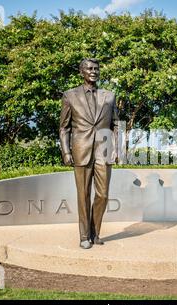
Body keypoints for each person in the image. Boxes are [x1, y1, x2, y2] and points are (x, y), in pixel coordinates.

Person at [59, 58, 119, 249]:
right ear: (81, 72)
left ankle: (95, 232)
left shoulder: (109, 96)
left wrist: (117, 148)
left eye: (96, 68)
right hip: (80, 150)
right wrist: (66, 152)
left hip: (104, 150)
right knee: (83, 195)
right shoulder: (69, 95)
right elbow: (64, 128)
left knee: (102, 195)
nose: (93, 71)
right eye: (89, 68)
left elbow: (116, 124)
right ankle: (84, 236)